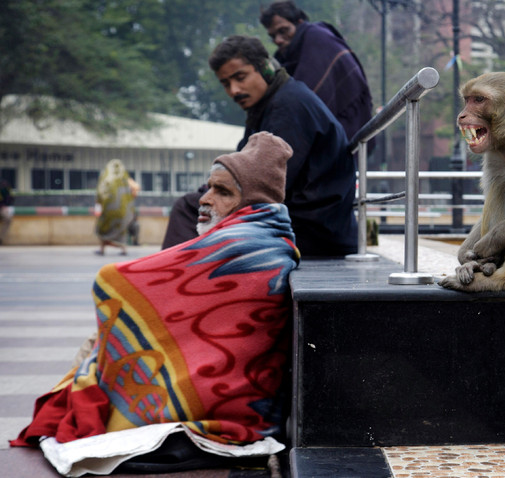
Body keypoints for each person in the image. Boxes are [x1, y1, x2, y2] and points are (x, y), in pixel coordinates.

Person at [12, 133, 300, 475]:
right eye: (209, 187)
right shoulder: (268, 238)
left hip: (232, 409)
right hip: (248, 406)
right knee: (103, 345)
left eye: (223, 192)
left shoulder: (245, 246)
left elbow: (114, 281)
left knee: (104, 338)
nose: (205, 199)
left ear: (252, 202)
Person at [161, 35, 357, 257]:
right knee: (202, 202)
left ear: (264, 68)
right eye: (226, 83)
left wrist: (210, 194)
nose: (234, 90)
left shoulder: (288, 106)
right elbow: (240, 169)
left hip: (313, 230)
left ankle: (171, 283)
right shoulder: (269, 105)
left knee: (189, 208)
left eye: (240, 77)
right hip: (310, 223)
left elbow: (257, 183)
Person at [260, 1, 373, 142]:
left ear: (299, 23)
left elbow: (306, 96)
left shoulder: (317, 36)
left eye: (283, 31)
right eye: (273, 36)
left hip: (347, 123)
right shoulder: (283, 59)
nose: (278, 40)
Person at [95, 159, 139, 255]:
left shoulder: (106, 178)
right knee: (121, 231)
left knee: (104, 229)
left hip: (108, 211)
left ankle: (102, 249)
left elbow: (100, 193)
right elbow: (136, 188)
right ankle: (123, 249)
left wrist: (99, 203)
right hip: (122, 211)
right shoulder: (125, 179)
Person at [0, 179, 13, 244]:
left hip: (3, 209)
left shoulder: (6, 190)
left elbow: (10, 199)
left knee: (8, 219)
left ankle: (0, 238)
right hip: (2, 208)